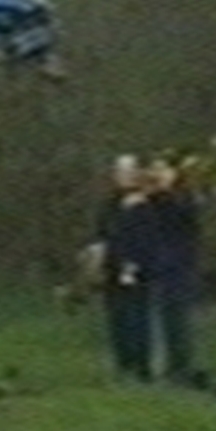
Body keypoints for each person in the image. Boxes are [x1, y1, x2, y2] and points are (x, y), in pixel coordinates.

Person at [90, 154, 159, 382]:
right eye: (120, 171)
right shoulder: (110, 203)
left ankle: (143, 368)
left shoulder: (146, 203)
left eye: (129, 171)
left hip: (136, 267)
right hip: (112, 267)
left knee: (137, 317)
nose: (124, 176)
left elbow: (146, 237)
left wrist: (133, 265)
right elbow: (102, 232)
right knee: (117, 318)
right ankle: (123, 364)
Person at [144, 153, 202, 386]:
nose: (158, 174)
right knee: (159, 318)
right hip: (155, 265)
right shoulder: (149, 200)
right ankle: (163, 368)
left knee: (177, 320)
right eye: (154, 169)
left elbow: (183, 218)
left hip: (179, 267)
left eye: (163, 169)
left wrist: (165, 191)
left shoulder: (184, 199)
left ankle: (180, 369)